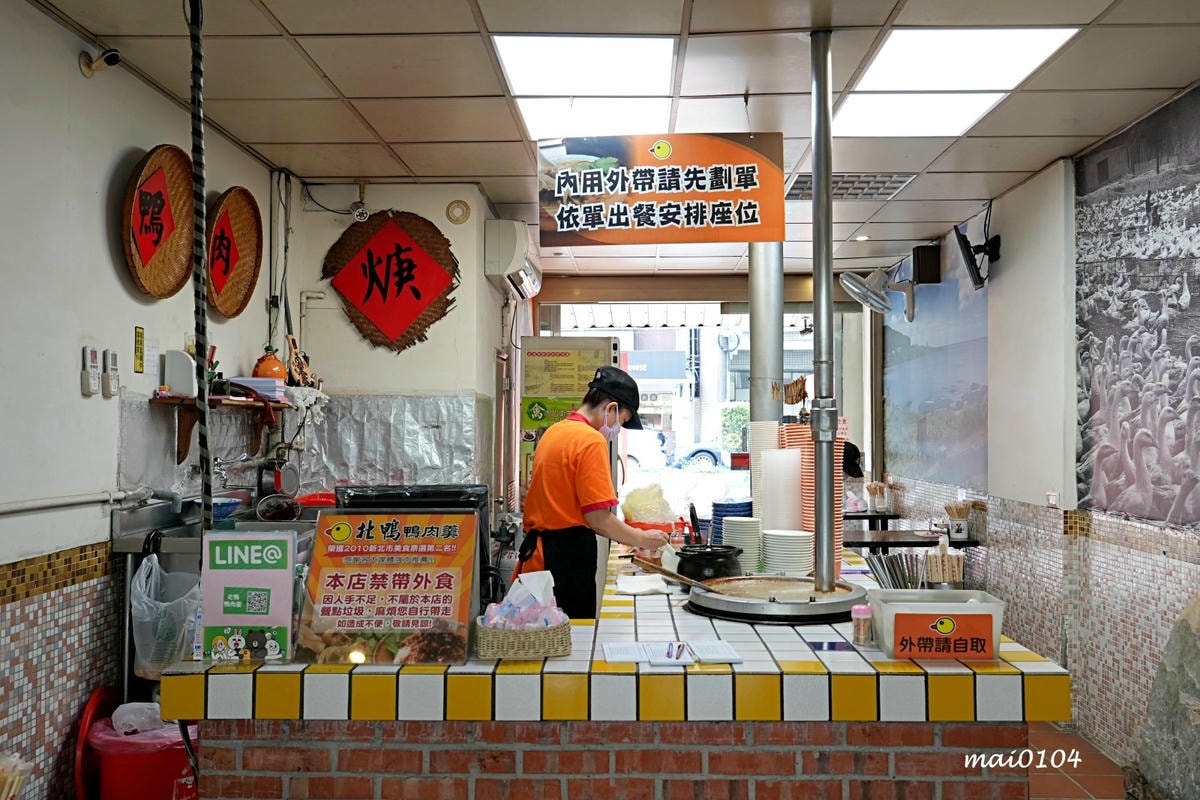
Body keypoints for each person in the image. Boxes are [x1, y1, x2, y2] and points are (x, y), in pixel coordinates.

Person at [516, 366, 671, 618]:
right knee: (574, 640)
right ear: (610, 408)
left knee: (544, 636)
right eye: (621, 420)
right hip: (566, 560)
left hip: (540, 556)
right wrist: (642, 538)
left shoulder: (554, 432)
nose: (617, 429)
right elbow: (598, 518)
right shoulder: (589, 440)